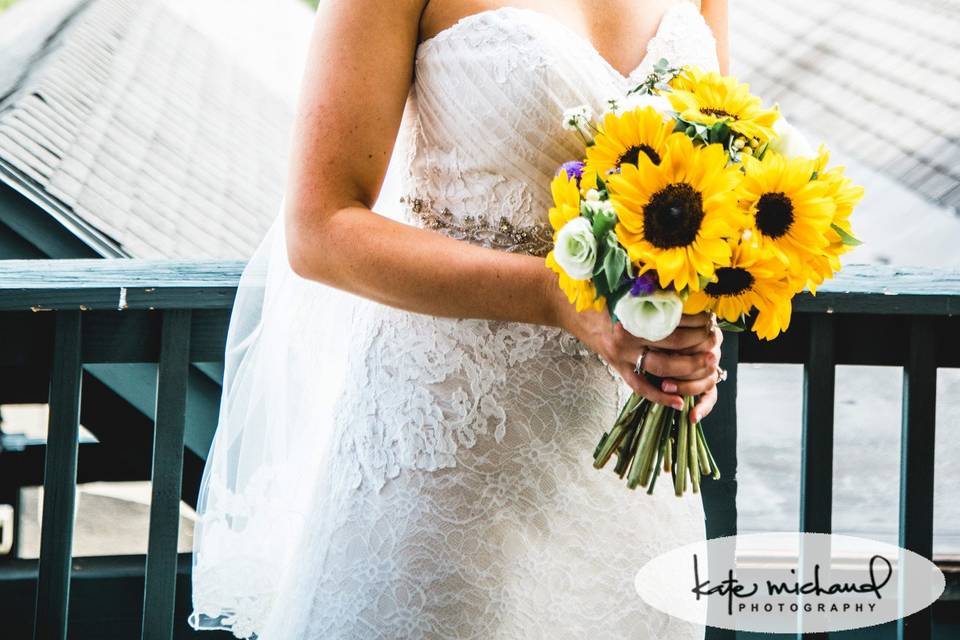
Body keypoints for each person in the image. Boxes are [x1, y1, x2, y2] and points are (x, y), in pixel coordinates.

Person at [190, 1, 728, 637]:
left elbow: (725, 176)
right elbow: (319, 229)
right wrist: (555, 296)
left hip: (633, 483)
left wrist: (690, 333)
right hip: (448, 465)